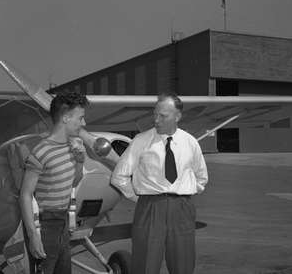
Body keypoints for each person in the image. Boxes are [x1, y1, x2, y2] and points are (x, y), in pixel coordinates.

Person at [111, 92, 208, 274]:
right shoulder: (141, 141)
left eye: (162, 116)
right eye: (155, 114)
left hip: (182, 209)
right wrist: (138, 197)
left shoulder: (190, 143)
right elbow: (119, 176)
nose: (156, 120)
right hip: (149, 207)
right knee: (145, 264)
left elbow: (201, 177)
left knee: (183, 264)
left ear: (177, 116)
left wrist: (184, 195)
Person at [20, 92, 89, 274]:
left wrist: (80, 161)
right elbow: (25, 195)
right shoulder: (41, 152)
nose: (84, 124)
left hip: (63, 222)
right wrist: (33, 235)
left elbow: (74, 182)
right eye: (80, 118)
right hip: (44, 225)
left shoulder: (72, 147)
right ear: (66, 118)